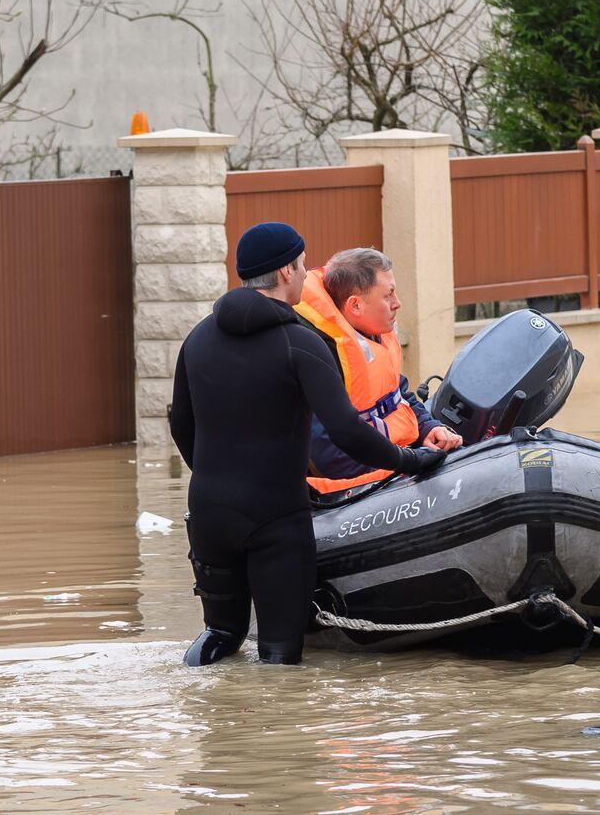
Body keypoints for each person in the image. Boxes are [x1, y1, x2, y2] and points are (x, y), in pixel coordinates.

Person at [168, 222, 446, 667]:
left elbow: (181, 424)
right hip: (275, 517)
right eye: (300, 265)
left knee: (220, 636)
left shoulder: (198, 338)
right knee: (279, 658)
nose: (304, 275)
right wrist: (412, 460)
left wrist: (213, 480)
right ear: (284, 272)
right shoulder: (302, 343)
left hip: (208, 513)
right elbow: (348, 433)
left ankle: (212, 733)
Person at [294, 247, 462, 494]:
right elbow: (329, 456)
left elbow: (398, 393)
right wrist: (409, 461)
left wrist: (427, 428)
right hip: (350, 489)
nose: (398, 303)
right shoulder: (318, 356)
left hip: (395, 461)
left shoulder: (374, 335)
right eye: (388, 295)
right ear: (355, 306)